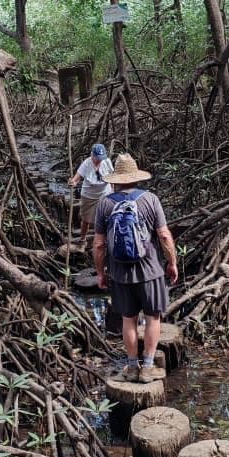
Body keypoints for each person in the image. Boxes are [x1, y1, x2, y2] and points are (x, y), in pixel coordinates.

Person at [94, 152, 179, 384]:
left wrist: (101, 273)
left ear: (114, 180)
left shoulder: (104, 204)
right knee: (153, 318)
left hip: (119, 273)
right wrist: (172, 263)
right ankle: (148, 367)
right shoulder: (151, 200)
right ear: (137, 178)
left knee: (128, 319)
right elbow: (163, 235)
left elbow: (99, 244)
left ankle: (132, 367)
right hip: (151, 271)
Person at [69, 142, 113, 247]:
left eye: (101, 157)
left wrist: (113, 191)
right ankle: (83, 239)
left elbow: (112, 177)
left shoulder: (106, 161)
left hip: (104, 194)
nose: (99, 160)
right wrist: (73, 182)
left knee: (106, 217)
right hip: (89, 196)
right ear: (92, 155)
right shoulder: (87, 163)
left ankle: (106, 238)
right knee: (86, 219)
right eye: (97, 157)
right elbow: (77, 178)